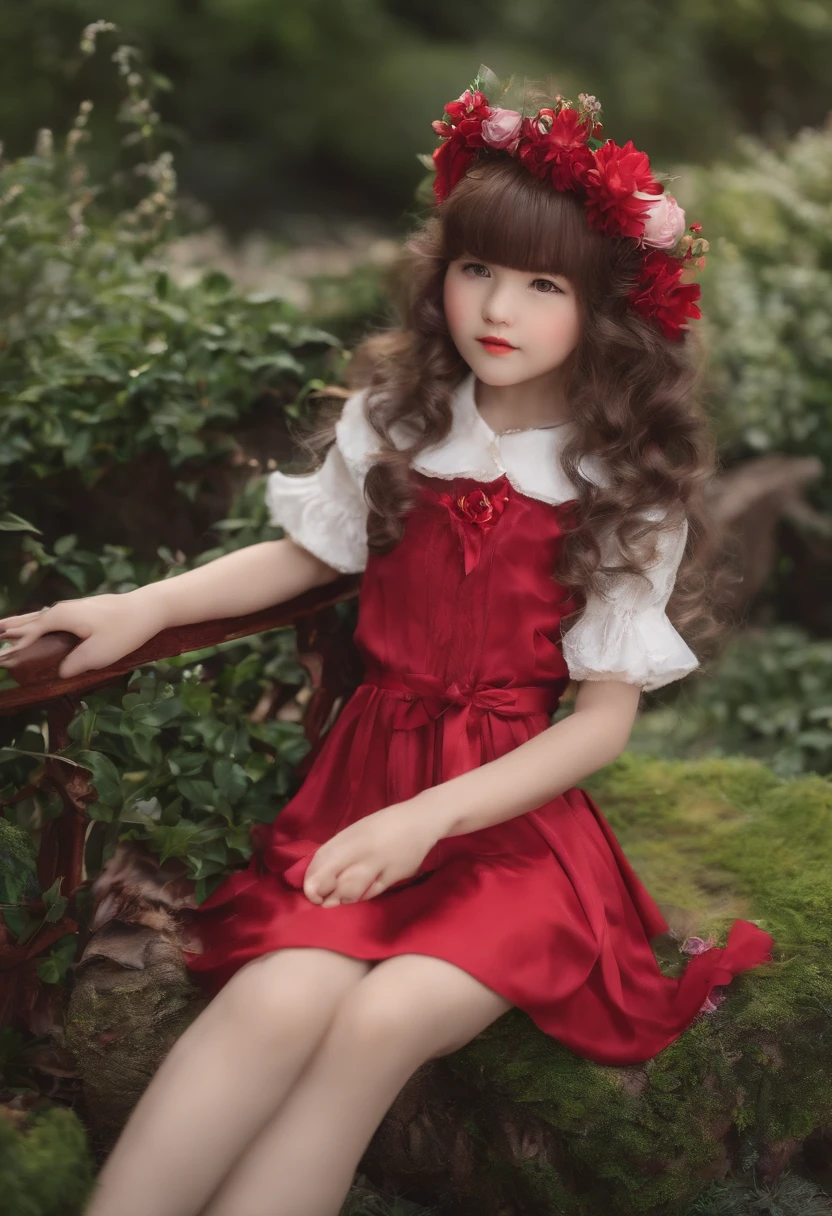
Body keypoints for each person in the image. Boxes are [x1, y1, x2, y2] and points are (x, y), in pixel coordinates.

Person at [0, 67, 775, 1216]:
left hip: (508, 827)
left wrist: (428, 820)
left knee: (379, 1019)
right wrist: (144, 607)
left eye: (540, 284)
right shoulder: (402, 416)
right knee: (273, 999)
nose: (496, 310)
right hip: (360, 790)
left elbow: (601, 723)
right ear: (440, 274)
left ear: (604, 307)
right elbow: (317, 555)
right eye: (476, 270)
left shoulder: (622, 478)